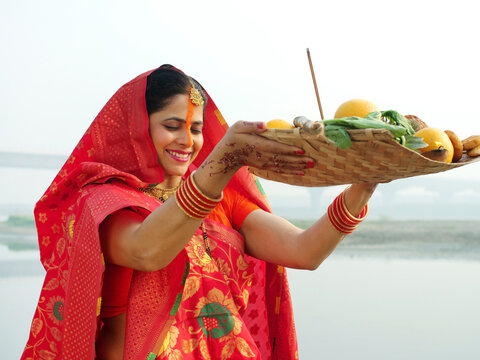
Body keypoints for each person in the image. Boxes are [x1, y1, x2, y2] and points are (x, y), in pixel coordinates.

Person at [21, 65, 376, 360]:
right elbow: (148, 251)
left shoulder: (222, 200)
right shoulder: (105, 202)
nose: (188, 142)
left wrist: (365, 184)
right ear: (136, 128)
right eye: (172, 126)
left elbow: (305, 251)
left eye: (196, 129)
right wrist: (223, 163)